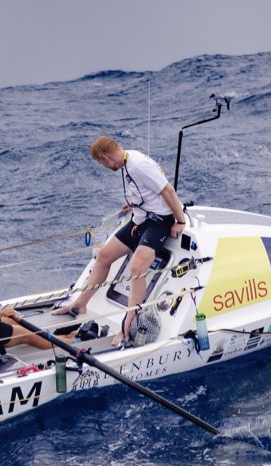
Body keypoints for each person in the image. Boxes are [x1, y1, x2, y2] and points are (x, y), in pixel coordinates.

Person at [54, 136, 189, 345]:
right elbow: (143, 189)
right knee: (104, 256)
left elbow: (168, 191)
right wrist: (133, 203)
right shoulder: (126, 162)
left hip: (160, 221)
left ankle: (128, 325)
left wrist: (180, 221)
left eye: (101, 163)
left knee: (137, 268)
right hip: (141, 218)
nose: (104, 167)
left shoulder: (139, 165)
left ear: (106, 158)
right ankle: (80, 304)